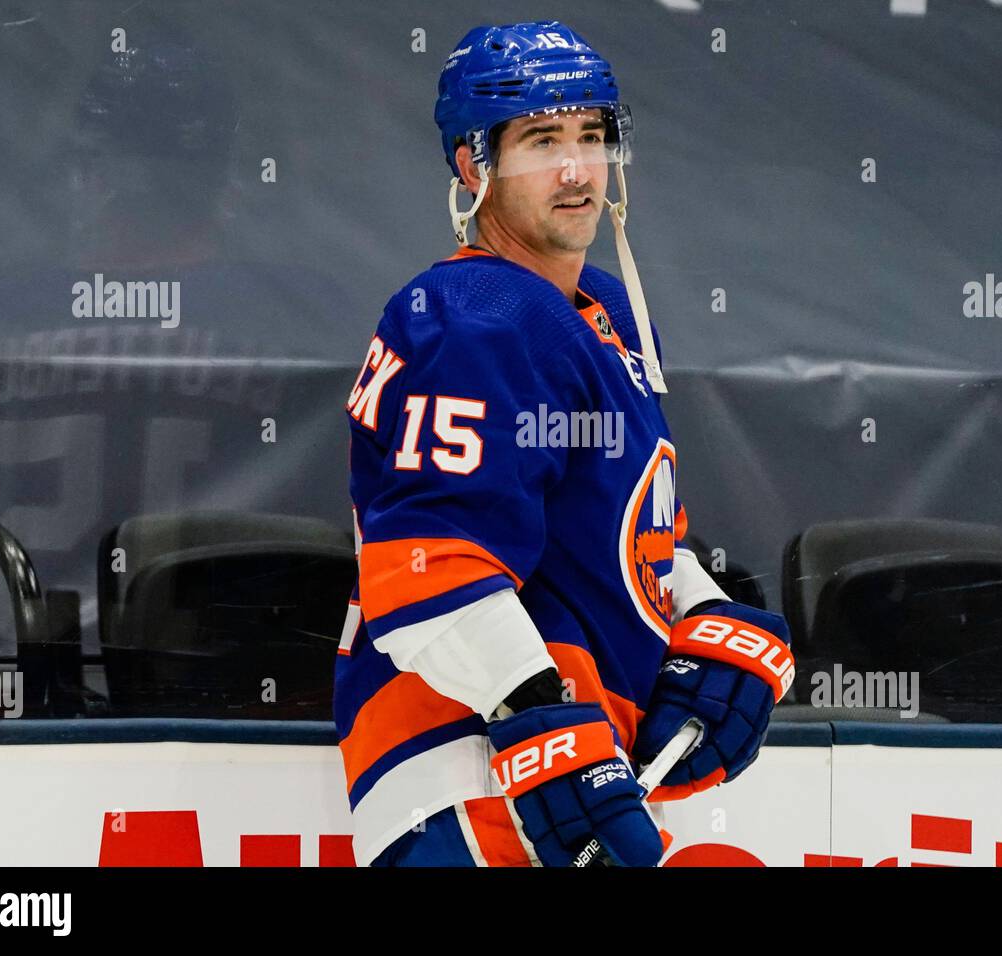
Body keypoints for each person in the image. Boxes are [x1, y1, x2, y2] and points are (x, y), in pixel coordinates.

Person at [334, 20, 795, 868]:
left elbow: (633, 536)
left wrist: (708, 617)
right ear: (474, 166)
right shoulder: (471, 314)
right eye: (543, 141)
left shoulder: (604, 312)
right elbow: (429, 569)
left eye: (593, 135)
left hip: (575, 772)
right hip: (471, 784)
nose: (579, 169)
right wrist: (537, 717)